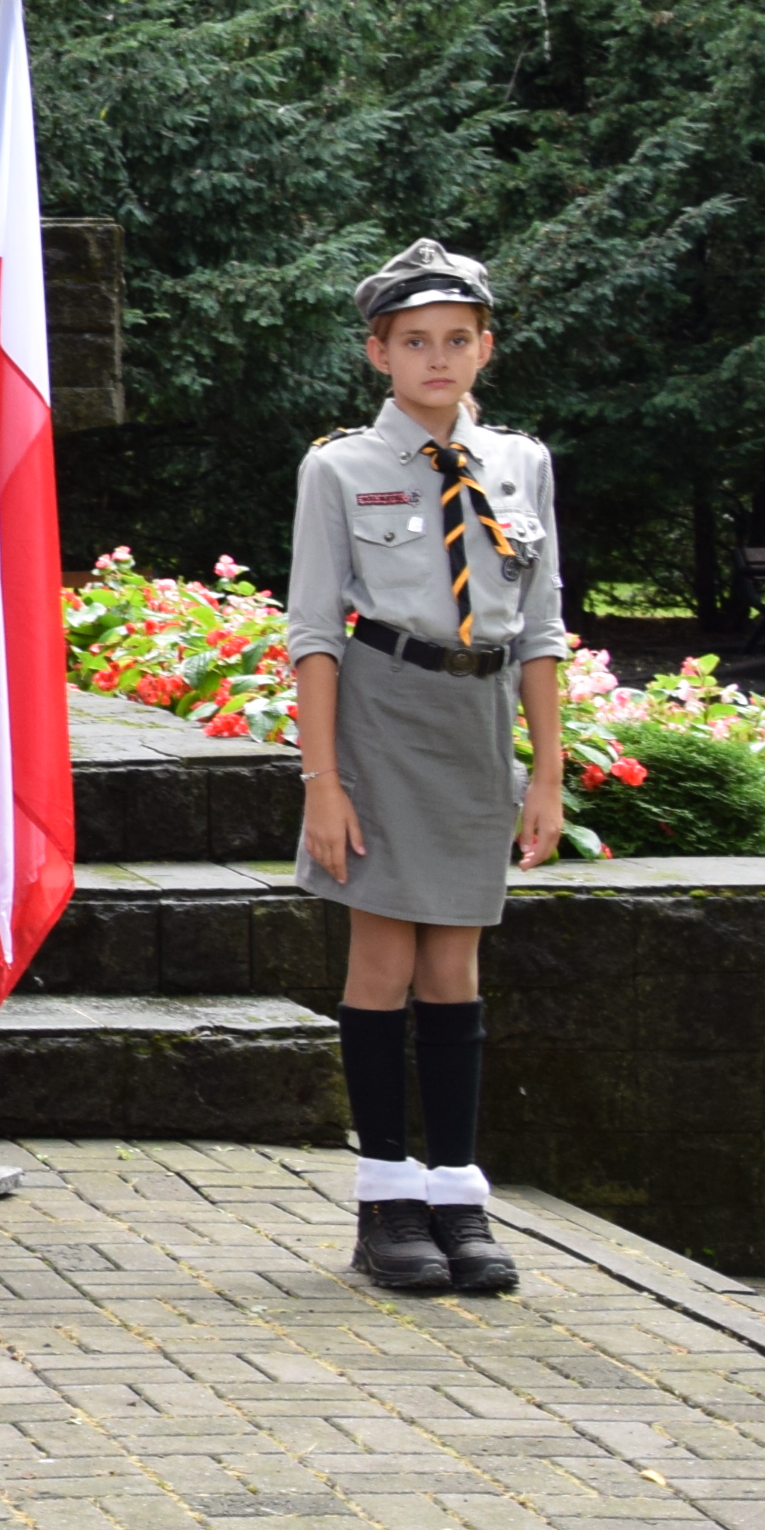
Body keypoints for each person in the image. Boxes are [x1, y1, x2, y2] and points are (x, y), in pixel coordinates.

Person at [285, 238, 567, 1299]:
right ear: (377, 354)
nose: (435, 359)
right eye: (414, 342)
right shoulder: (340, 468)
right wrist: (322, 780)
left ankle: (455, 1192)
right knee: (381, 964)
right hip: (379, 712)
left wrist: (541, 776)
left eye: (455, 340)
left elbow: (538, 629)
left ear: (483, 349)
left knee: (454, 968)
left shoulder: (518, 463)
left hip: (477, 717)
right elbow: (312, 630)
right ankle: (382, 1201)